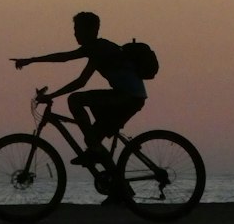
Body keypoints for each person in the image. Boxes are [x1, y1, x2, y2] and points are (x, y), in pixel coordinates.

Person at [10, 11, 147, 166]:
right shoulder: (93, 47)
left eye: (78, 29)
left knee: (76, 100)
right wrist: (31, 60)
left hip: (127, 97)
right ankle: (114, 181)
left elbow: (81, 82)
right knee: (92, 139)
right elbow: (63, 57)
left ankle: (96, 151)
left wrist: (52, 95)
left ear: (90, 31)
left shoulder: (99, 49)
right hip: (128, 96)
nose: (75, 33)